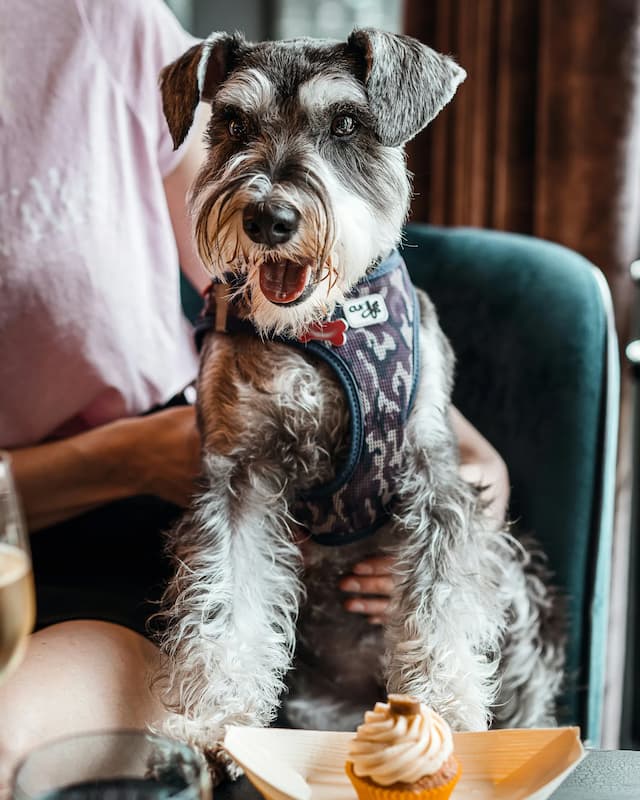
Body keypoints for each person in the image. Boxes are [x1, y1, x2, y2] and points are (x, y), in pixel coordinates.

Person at [0, 0, 510, 790]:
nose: (269, 194)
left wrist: (455, 444)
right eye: (234, 129)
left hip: (142, 538)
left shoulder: (97, 19)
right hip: (116, 536)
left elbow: (280, 315)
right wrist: (127, 455)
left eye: (339, 130)